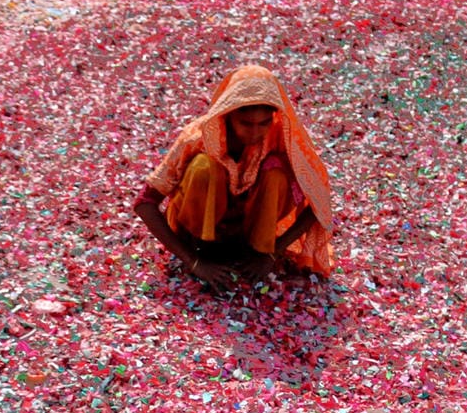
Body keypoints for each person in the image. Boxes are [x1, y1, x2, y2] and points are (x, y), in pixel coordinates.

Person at [133, 65, 334, 289]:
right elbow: (145, 203)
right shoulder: (198, 137)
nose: (255, 132)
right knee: (205, 167)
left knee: (276, 171)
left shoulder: (280, 138)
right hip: (196, 241)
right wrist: (194, 261)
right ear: (228, 114)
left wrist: (273, 253)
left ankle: (258, 251)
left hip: (246, 237)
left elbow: (320, 202)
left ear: (273, 117)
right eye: (246, 123)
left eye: (264, 123)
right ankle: (207, 251)